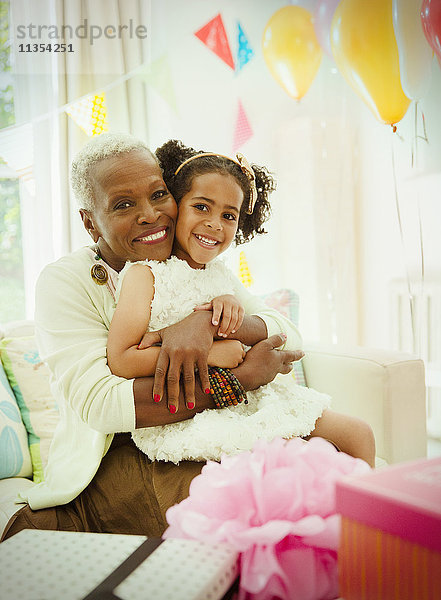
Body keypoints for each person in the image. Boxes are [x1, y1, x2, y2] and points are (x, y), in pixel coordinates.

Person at [1, 133, 304, 541]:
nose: (151, 215)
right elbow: (103, 405)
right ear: (90, 222)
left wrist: (205, 324)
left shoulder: (191, 262)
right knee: (237, 510)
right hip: (114, 456)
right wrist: (242, 379)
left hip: (204, 426)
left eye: (159, 195)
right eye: (124, 205)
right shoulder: (65, 281)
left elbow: (286, 330)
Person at [107, 139, 376, 467]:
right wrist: (213, 354)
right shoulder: (145, 276)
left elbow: (278, 333)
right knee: (293, 465)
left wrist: (229, 307)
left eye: (229, 215)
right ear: (176, 206)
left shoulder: (221, 275)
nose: (215, 224)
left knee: (359, 434)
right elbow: (121, 360)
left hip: (255, 397)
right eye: (201, 207)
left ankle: (364, 514)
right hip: (199, 411)